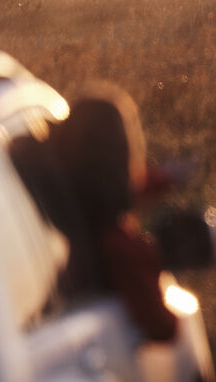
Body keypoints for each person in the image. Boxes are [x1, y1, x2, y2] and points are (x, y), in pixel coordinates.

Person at [51, 83, 177, 342]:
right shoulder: (119, 248)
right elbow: (164, 329)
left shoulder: (56, 200)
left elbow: (104, 190)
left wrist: (165, 179)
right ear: (124, 151)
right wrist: (157, 258)